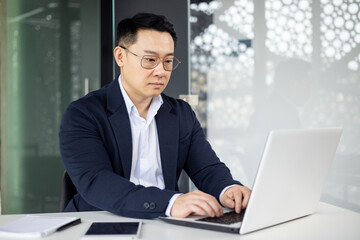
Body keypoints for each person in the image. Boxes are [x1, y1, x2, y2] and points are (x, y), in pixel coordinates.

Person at [59, 12, 251, 219]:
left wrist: (228, 188)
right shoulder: (83, 114)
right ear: (120, 56)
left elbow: (207, 168)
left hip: (164, 223)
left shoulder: (180, 114)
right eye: (150, 60)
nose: (161, 71)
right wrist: (170, 202)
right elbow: (97, 182)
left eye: (168, 61)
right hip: (101, 221)